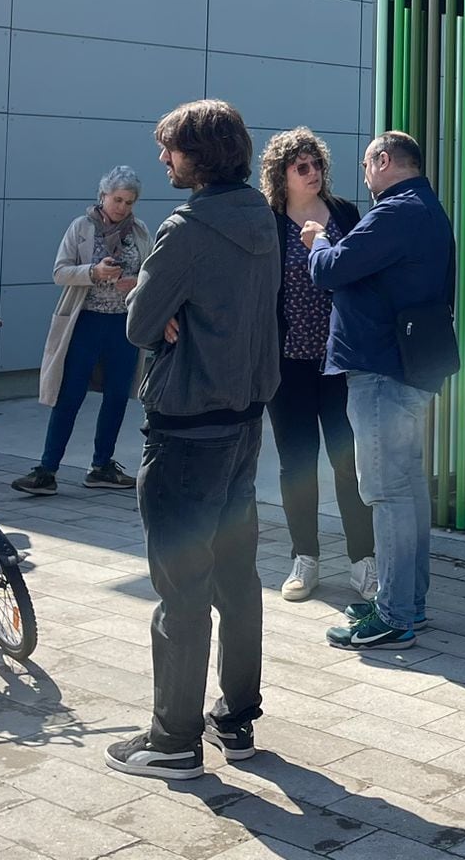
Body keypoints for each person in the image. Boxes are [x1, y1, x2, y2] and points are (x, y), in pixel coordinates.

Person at [106, 100, 279, 781]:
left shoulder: (186, 228)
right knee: (238, 578)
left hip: (186, 429)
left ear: (199, 155)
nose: (162, 160)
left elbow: (139, 322)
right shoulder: (262, 219)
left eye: (170, 150)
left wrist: (163, 311)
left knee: (182, 588)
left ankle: (174, 740)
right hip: (243, 423)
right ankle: (235, 719)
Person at [306, 131, 454, 651]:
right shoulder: (429, 209)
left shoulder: (394, 212)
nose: (364, 177)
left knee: (386, 493)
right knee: (407, 488)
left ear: (384, 160)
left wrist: (319, 240)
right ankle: (408, 602)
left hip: (380, 370)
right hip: (410, 369)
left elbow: (332, 269)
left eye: (367, 165)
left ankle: (393, 615)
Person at [258, 128, 374, 603]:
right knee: (297, 464)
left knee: (349, 462)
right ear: (281, 175)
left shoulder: (345, 213)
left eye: (317, 164)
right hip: (288, 365)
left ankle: (363, 560)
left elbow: (365, 272)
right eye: (301, 166)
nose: (313, 172)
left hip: (340, 361)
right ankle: (304, 557)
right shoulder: (268, 223)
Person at [13, 166, 151, 496]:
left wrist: (136, 282)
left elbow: (151, 271)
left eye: (129, 202)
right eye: (117, 199)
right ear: (102, 196)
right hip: (85, 321)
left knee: (118, 397)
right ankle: (47, 469)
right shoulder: (82, 227)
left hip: (124, 325)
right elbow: (60, 272)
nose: (122, 208)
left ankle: (101, 465)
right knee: (69, 395)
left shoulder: (141, 231)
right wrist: (94, 271)